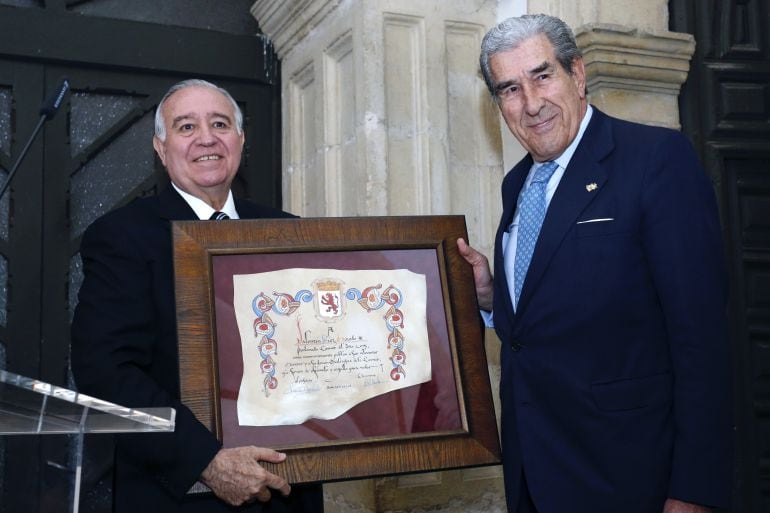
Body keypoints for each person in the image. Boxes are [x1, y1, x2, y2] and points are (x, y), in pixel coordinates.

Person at [457, 14, 731, 513]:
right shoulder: (517, 185)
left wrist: (694, 489)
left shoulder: (654, 160)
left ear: (577, 75)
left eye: (543, 76)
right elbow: (547, 314)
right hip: (534, 478)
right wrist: (491, 296)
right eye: (510, 89)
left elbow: (703, 339)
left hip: (628, 479)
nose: (531, 103)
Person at [71, 79, 323, 512]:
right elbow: (105, 372)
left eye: (220, 123)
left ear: (240, 139)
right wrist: (205, 461)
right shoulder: (122, 236)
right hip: (181, 494)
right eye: (186, 127)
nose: (206, 137)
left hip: (289, 491)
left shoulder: (290, 230)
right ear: (160, 146)